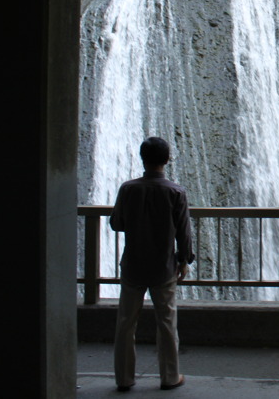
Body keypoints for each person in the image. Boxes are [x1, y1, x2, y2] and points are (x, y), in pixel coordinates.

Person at [111, 137, 194, 392]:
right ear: (167, 159)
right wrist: (184, 259)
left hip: (133, 265)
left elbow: (116, 223)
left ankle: (124, 378)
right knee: (167, 322)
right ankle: (169, 377)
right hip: (163, 266)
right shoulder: (175, 191)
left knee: (125, 322)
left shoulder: (127, 189)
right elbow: (184, 230)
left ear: (141, 158)